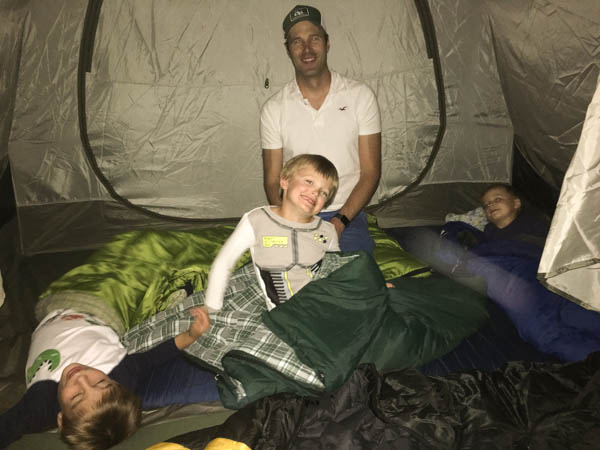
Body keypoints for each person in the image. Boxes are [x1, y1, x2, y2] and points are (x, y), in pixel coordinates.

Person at [260, 4, 382, 253]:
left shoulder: (360, 96)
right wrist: (292, 220)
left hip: (347, 215)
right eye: (297, 41)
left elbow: (370, 172)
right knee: (277, 268)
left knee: (355, 272)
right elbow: (272, 180)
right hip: (297, 214)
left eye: (314, 39)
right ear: (288, 49)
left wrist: (340, 222)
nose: (307, 49)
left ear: (327, 43)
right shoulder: (274, 108)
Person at [0, 307, 210, 450]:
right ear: (115, 383)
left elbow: (8, 428)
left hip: (44, 318)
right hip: (89, 311)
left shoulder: (40, 407)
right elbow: (151, 359)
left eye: (76, 397)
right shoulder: (121, 375)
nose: (81, 378)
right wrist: (191, 335)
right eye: (101, 382)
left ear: (61, 419)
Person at [204, 154, 340, 311]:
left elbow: (336, 272)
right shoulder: (257, 220)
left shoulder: (327, 231)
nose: (315, 192)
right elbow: (224, 263)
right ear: (285, 181)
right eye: (309, 181)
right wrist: (212, 309)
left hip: (321, 308)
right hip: (283, 314)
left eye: (324, 193)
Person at [481, 183, 549, 248]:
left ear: (516, 203)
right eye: (486, 205)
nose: (491, 205)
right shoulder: (489, 230)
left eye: (497, 200)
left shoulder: (532, 223)